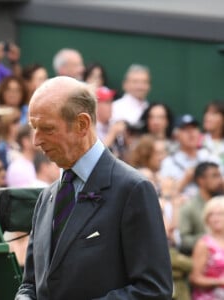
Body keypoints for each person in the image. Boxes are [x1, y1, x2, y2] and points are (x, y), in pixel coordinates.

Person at [15, 76, 172, 300]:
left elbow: (154, 290)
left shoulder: (133, 190)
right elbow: (30, 283)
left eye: (47, 129)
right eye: (34, 128)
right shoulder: (46, 197)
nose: (36, 141)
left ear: (82, 124)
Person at [179, 161, 224, 255]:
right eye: (215, 176)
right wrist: (212, 238)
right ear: (201, 180)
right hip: (202, 258)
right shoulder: (189, 207)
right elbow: (184, 241)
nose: (220, 180)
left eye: (220, 176)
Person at [190, 196, 224, 299]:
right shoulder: (204, 244)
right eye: (211, 214)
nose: (215, 218)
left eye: (220, 214)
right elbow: (194, 278)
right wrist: (219, 282)